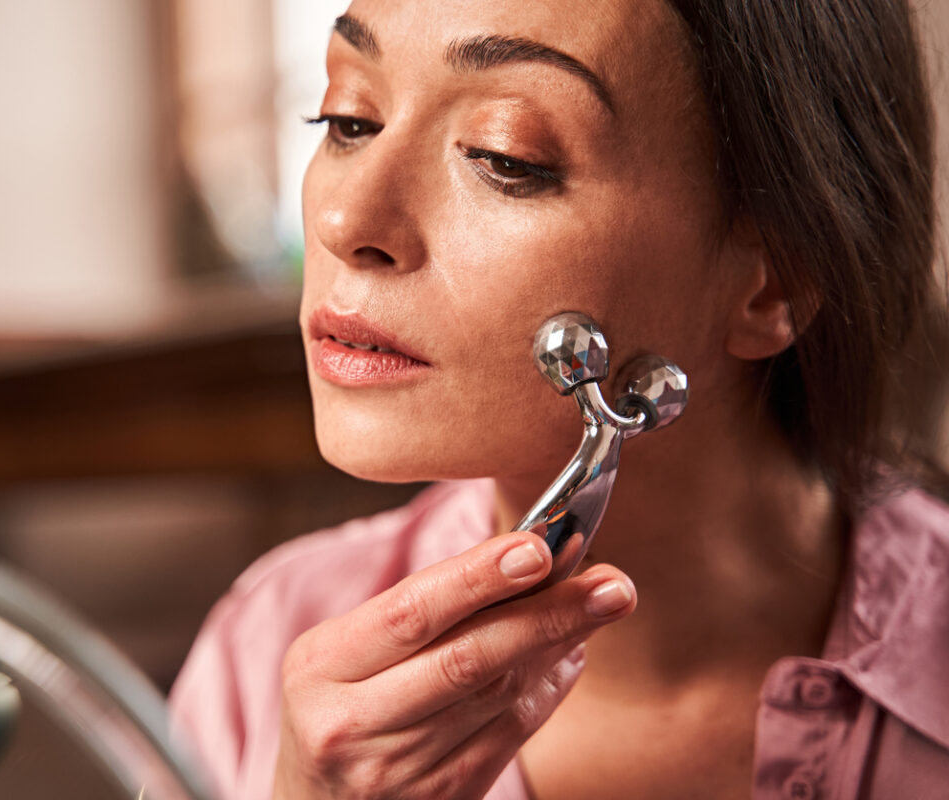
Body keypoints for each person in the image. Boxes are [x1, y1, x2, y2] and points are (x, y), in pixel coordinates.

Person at [170, 1, 949, 797]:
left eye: (505, 156)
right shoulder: (266, 642)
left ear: (778, 278)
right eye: (349, 119)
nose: (345, 219)